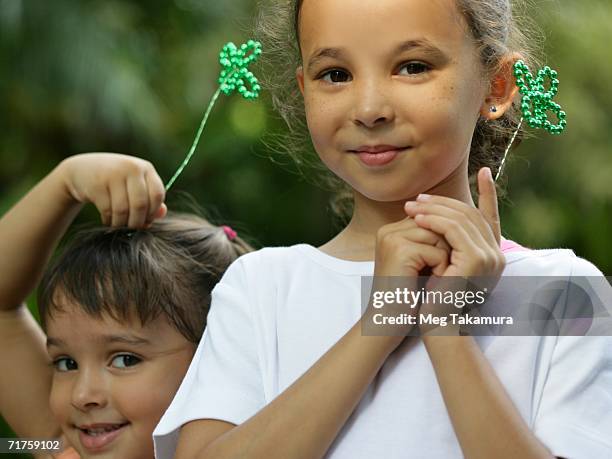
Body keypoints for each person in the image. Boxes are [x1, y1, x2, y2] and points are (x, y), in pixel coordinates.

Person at [153, 0, 612, 458]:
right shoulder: (260, 289)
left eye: (412, 67)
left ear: (496, 84)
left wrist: (443, 330)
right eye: (335, 74)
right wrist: (380, 323)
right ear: (304, 88)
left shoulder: (563, 293)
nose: (369, 108)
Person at [0, 153, 251, 459]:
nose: (82, 396)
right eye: (66, 363)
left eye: (125, 360)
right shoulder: (61, 446)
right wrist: (65, 182)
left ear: (217, 361)